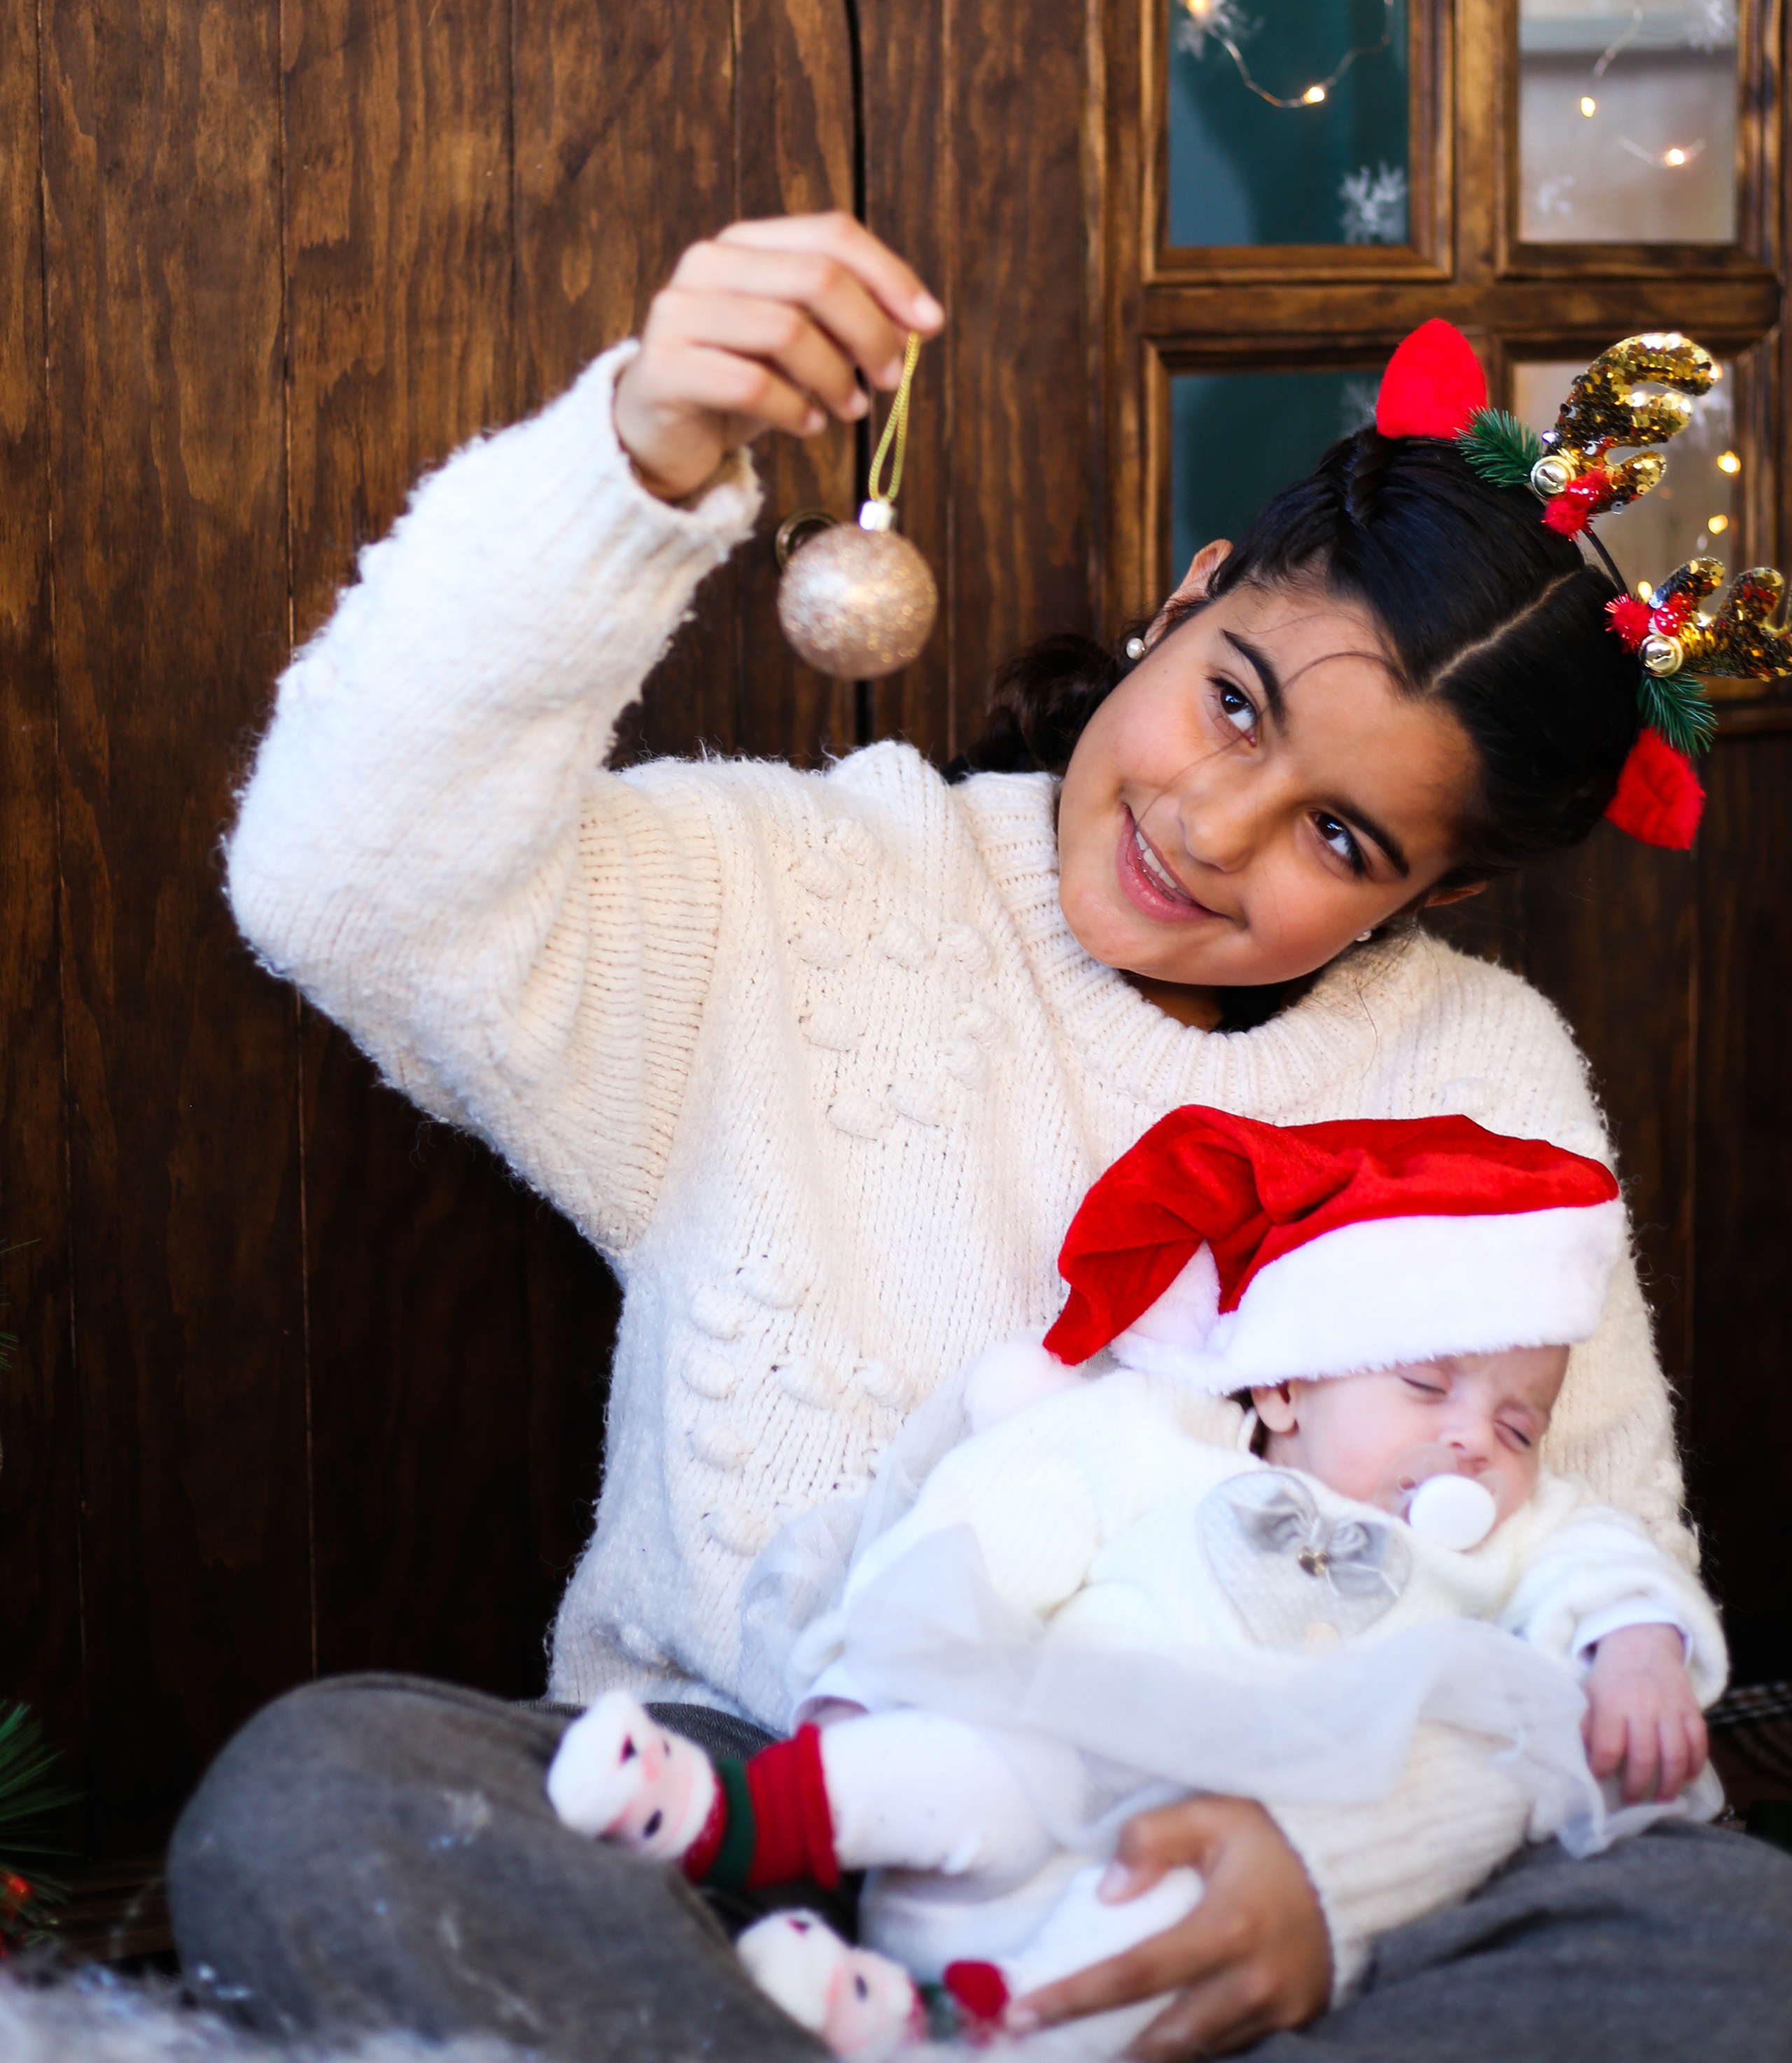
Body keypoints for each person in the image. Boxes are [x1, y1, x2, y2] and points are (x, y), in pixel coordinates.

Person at [171, 217, 1792, 2059]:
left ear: (1443, 886)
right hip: (782, 1810)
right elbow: (335, 889)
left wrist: (1338, 1885)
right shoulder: (799, 893)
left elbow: (1599, 1610)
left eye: (1343, 840)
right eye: (1233, 702)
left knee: (1746, 1943)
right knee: (321, 1795)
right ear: (1188, 596)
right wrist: (634, 459)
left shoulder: (1489, 1073)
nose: (1211, 821)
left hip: (1267, 1847)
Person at [547, 1104, 1725, 2061]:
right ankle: (725, 1819)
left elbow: (1604, 1559)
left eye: (1521, 1424)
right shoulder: (1157, 1441)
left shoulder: (1505, 1540)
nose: (1478, 1440)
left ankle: (946, 2033)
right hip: (1043, 1768)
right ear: (1285, 1389)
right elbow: (998, 1517)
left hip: (1197, 1861)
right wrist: (884, 1671)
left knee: (1165, 1943)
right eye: (1427, 1386)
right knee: (969, 1761)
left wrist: (1636, 1644)